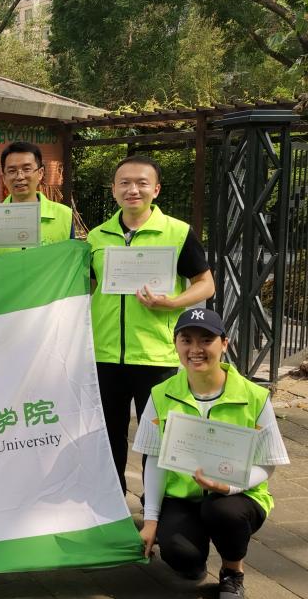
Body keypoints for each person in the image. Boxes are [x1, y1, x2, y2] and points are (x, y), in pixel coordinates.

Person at [133, 308, 289, 599]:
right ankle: (193, 550)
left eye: (206, 340)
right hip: (183, 497)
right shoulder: (161, 394)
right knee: (183, 558)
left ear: (224, 344)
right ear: (175, 344)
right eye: (186, 340)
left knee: (223, 511)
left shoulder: (254, 396)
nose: (196, 349)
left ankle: (232, 573)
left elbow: (268, 462)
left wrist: (228, 486)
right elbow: (154, 458)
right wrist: (151, 521)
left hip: (237, 496)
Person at [87, 155, 215, 494]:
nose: (133, 190)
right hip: (105, 353)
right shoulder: (97, 237)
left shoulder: (177, 232)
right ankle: (112, 505)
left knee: (158, 436)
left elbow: (206, 284)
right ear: (113, 190)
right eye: (125, 183)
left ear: (155, 189)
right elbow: (88, 287)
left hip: (156, 354)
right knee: (108, 435)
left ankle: (156, 507)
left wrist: (172, 302)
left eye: (142, 183)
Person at [0, 140, 74, 255]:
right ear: (4, 178)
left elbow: (73, 261)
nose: (20, 177)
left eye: (26, 169)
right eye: (12, 171)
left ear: (40, 173)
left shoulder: (64, 215)